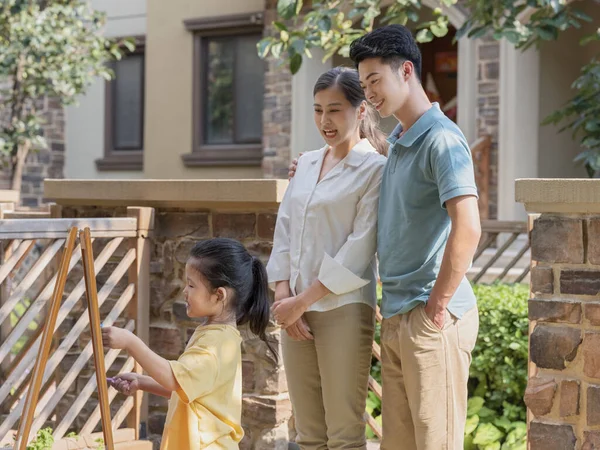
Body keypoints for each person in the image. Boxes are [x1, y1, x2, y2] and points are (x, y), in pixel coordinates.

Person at [289, 24, 481, 450]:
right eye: (363, 83)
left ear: (406, 71)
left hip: (430, 316)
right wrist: (309, 169)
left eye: (375, 80)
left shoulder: (443, 140)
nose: (369, 93)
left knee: (436, 443)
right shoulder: (397, 144)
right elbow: (356, 174)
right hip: (396, 315)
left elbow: (468, 226)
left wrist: (438, 306)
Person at [266, 66, 387, 450]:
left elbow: (360, 246)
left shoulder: (375, 169)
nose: (325, 121)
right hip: (294, 309)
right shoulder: (305, 164)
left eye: (335, 110)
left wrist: (300, 303)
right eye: (318, 110)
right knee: (308, 434)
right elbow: (284, 228)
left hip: (342, 310)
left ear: (361, 110)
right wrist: (284, 297)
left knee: (344, 434)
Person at [102, 238, 274, 450]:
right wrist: (141, 382)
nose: (184, 291)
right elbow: (191, 388)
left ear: (219, 295)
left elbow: (175, 379)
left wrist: (130, 342)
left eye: (191, 285)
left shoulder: (214, 344)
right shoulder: (218, 335)